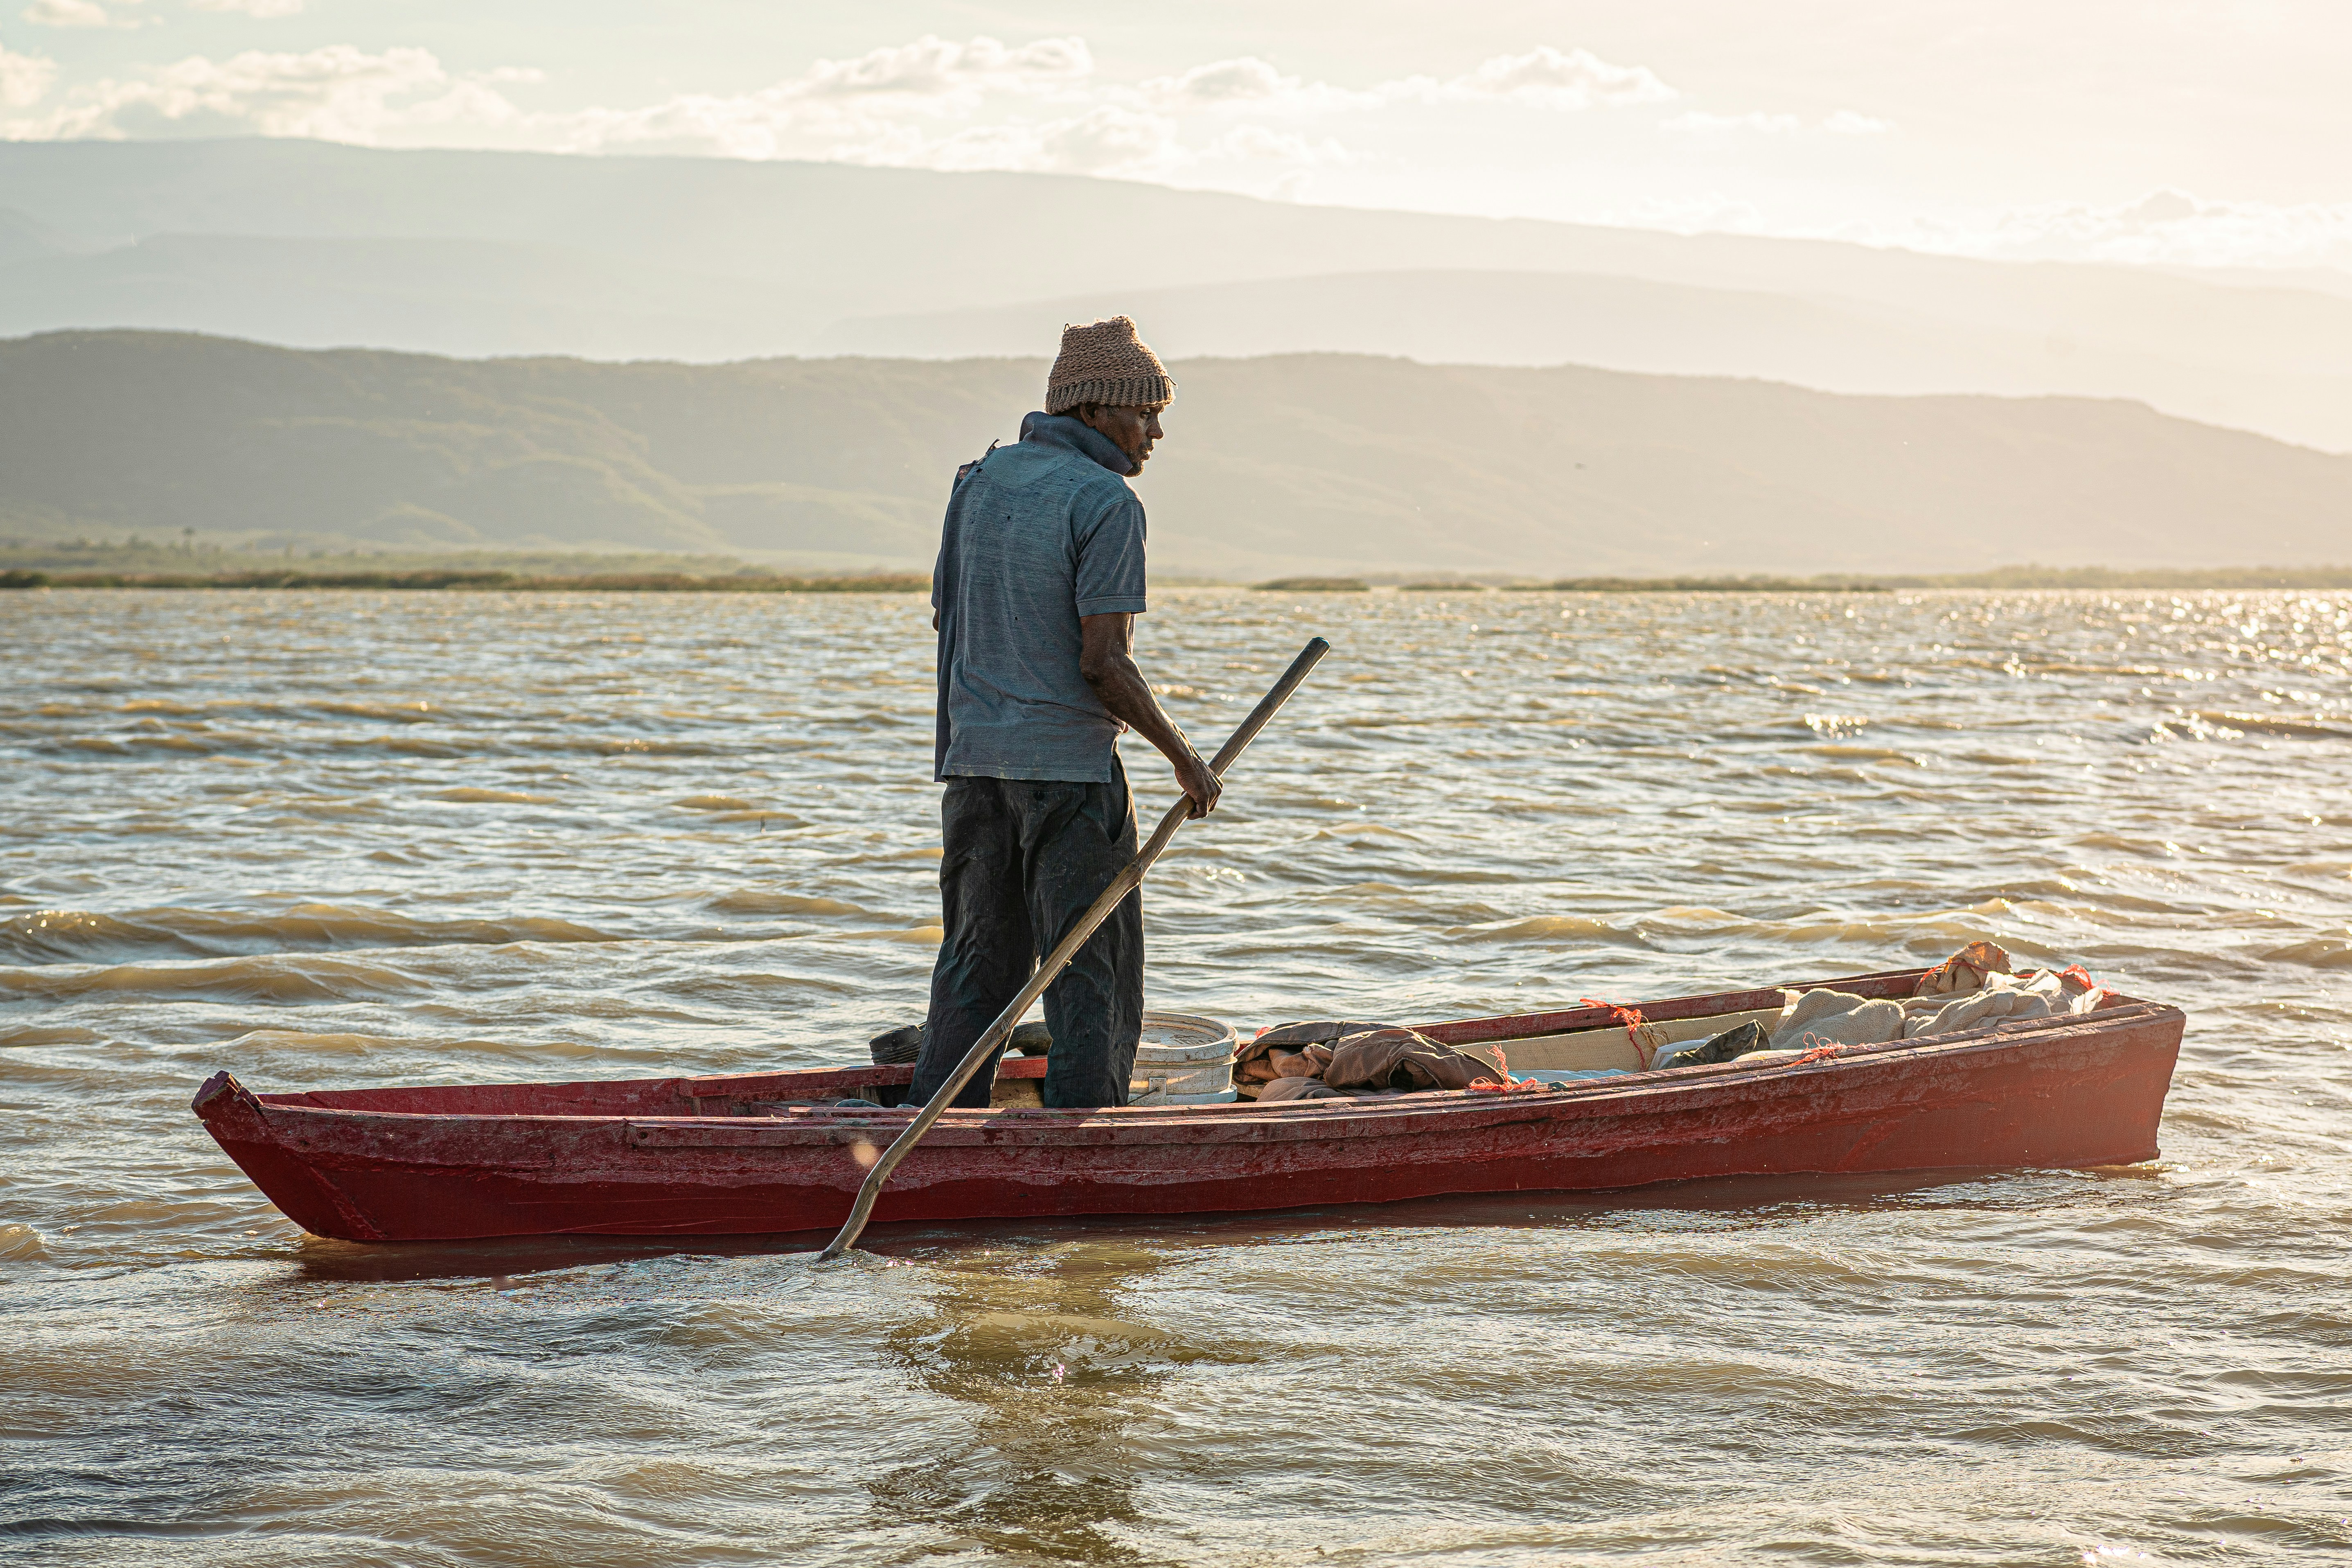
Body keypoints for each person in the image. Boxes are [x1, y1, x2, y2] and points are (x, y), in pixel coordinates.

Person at [910, 316, 1219, 1112]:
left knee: (977, 961)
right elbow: (1102, 663)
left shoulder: (976, 482)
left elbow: (950, 624)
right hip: (1069, 780)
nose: (1154, 433)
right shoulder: (1104, 500)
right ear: (1091, 411)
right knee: (1094, 975)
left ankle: (939, 1127)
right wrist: (1183, 755)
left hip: (975, 769)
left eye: (1159, 416)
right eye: (1143, 414)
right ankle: (1087, 1142)